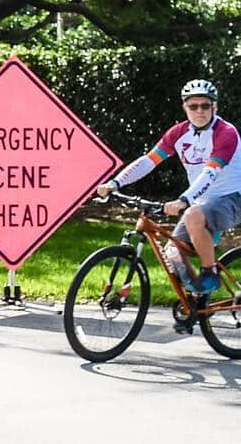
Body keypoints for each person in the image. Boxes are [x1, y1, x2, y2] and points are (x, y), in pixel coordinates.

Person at [97, 78, 241, 296]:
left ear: (215, 107)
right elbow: (149, 160)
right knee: (173, 252)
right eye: (193, 106)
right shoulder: (179, 133)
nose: (199, 111)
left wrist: (184, 200)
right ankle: (194, 300)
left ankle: (210, 275)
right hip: (201, 202)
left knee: (192, 214)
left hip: (233, 198)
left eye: (205, 105)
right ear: (185, 107)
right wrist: (115, 182)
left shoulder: (226, 133)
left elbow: (210, 172)